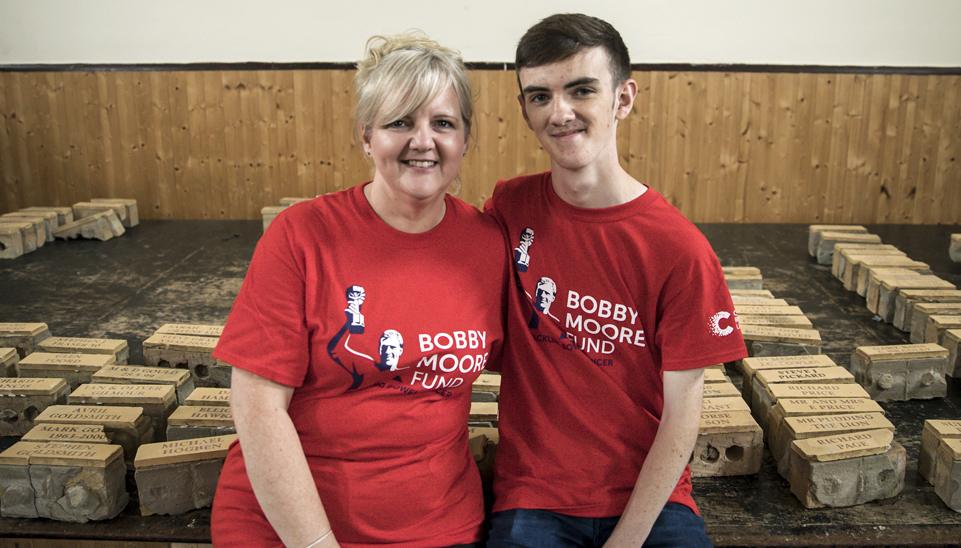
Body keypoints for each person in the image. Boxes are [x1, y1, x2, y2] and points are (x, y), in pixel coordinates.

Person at [210, 33, 508, 547]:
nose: (423, 140)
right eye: (400, 122)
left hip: (438, 525)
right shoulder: (302, 236)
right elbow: (257, 408)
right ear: (367, 137)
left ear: (465, 140)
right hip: (288, 526)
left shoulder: (489, 246)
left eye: (442, 123)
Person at [484, 13, 747, 547]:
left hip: (652, 502)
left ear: (623, 99)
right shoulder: (510, 208)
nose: (560, 113)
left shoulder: (680, 249)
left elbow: (682, 417)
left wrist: (627, 539)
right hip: (535, 497)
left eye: (581, 90)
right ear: (525, 110)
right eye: (540, 96)